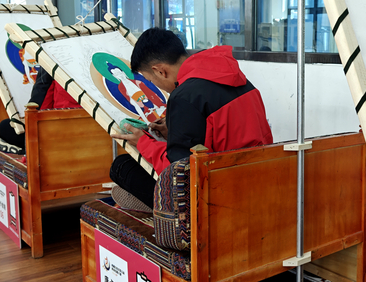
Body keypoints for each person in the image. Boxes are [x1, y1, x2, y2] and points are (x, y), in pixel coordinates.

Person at [111, 29, 273, 210]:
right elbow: (219, 133)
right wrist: (173, 130)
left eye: (151, 80)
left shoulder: (184, 96)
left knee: (122, 167)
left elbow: (179, 173)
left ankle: (157, 209)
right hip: (259, 178)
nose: (157, 86)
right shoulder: (239, 79)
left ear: (160, 71)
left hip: (219, 196)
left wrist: (143, 142)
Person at [0, 67, 79, 153]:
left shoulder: (55, 66)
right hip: (83, 128)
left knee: (4, 127)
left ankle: (31, 151)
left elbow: (41, 105)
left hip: (59, 132)